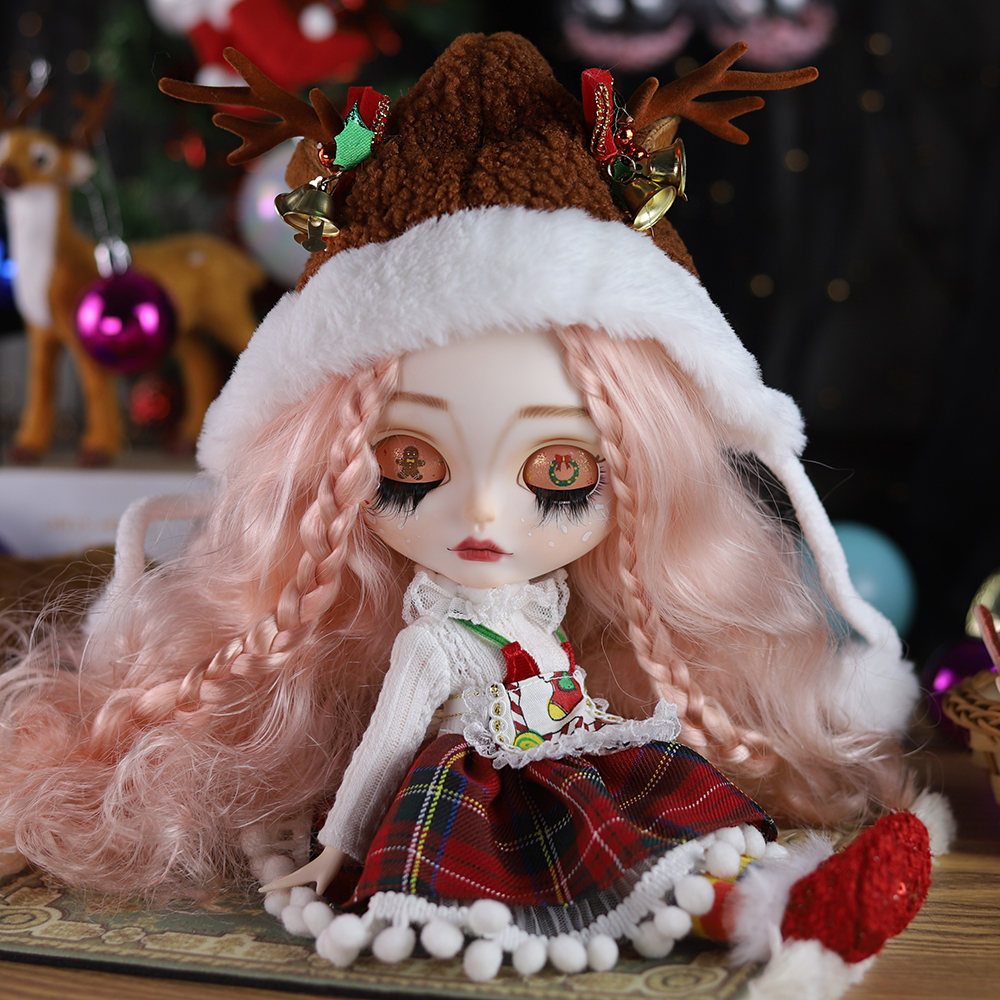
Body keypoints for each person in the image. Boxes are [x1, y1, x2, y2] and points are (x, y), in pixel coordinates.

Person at [0, 32, 949, 994]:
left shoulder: (549, 611)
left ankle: (784, 895)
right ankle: (761, 906)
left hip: (574, 760)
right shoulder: (433, 642)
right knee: (589, 871)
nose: (487, 510)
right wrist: (339, 850)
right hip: (473, 796)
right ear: (332, 472)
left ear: (642, 478)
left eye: (560, 471)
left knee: (672, 834)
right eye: (411, 463)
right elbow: (383, 748)